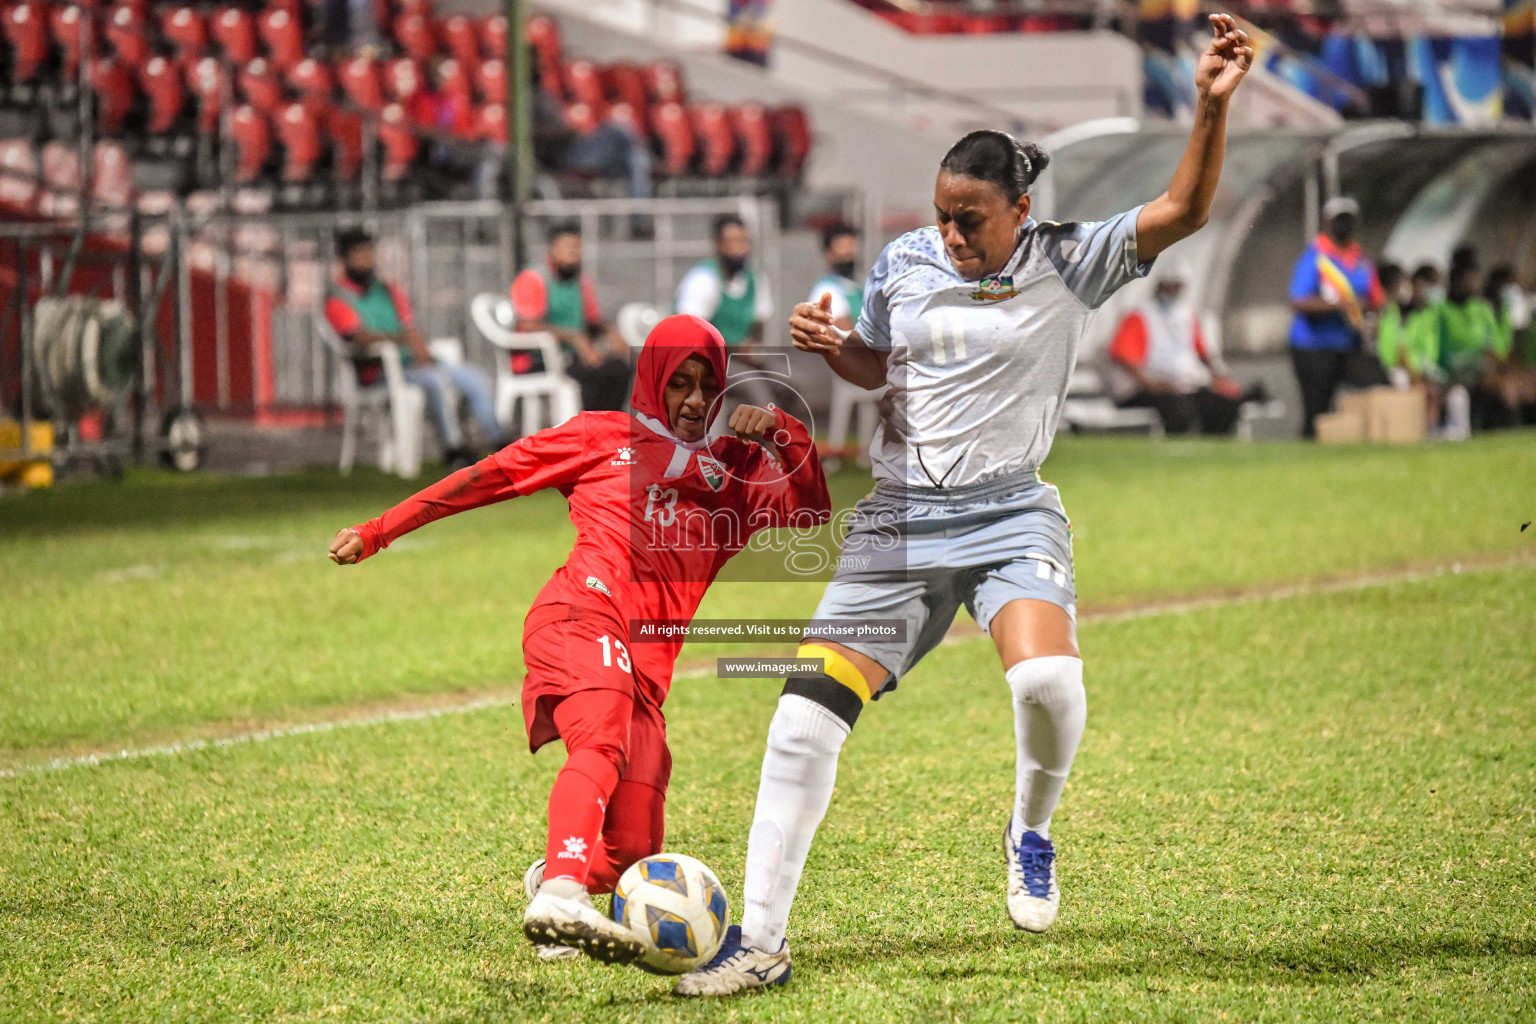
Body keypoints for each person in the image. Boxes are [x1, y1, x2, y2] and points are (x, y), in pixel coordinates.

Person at [674, 12, 1253, 997]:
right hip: (898, 520)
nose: (950, 233)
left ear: (1021, 209)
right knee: (802, 718)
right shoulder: (905, 264)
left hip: (1008, 513)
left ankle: (1031, 828)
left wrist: (1205, 105)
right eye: (943, 213)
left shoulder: (1072, 257)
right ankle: (758, 942)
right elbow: (877, 364)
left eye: (970, 218)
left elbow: (1185, 210)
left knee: (1046, 688)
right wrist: (833, 347)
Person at [326, 314, 829, 964]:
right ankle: (563, 891)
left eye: (708, 384)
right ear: (652, 381)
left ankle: (559, 878)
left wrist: (785, 434)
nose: (696, 400)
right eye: (680, 382)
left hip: (648, 673)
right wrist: (380, 529)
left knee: (633, 853)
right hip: (580, 616)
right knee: (602, 738)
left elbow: (812, 512)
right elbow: (489, 477)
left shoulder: (732, 474)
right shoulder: (603, 437)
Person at [324, 228, 506, 466]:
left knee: (474, 377)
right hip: (378, 372)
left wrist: (422, 352)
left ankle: (499, 441)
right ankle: (453, 448)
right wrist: (399, 341)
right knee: (435, 382)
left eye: (370, 253)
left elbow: (410, 328)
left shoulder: (388, 290)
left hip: (413, 365)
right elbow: (358, 338)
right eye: (360, 254)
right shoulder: (338, 297)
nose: (367, 259)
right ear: (345, 258)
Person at [1106, 260, 1262, 435]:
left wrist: (1219, 377)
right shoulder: (1139, 315)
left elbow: (1202, 352)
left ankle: (1212, 449)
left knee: (1222, 405)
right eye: (1170, 286)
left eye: (1177, 287)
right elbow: (1123, 355)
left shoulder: (1186, 315)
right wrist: (1150, 384)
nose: (1173, 291)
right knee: (1179, 410)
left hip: (1181, 386)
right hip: (1147, 389)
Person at [1286, 194, 1384, 438]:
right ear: (1327, 222)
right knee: (1317, 408)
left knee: (1375, 384)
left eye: (1349, 220)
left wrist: (1372, 320)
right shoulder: (1315, 257)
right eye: (1339, 220)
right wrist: (1339, 305)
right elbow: (1299, 301)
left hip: (1349, 343)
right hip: (1312, 346)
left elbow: (1376, 300)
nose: (1345, 225)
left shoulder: (1361, 259)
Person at [510, 221, 633, 412]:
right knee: (596, 373)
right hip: (539, 360)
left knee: (621, 366)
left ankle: (610, 426)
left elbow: (592, 320)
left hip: (574, 356)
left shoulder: (580, 280)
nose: (575, 254)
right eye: (569, 247)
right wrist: (573, 338)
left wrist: (610, 332)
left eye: (578, 248)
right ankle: (587, 429)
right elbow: (528, 325)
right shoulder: (534, 278)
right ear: (553, 248)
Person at [674, 214, 774, 350]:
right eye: (734, 241)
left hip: (737, 358)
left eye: (744, 241)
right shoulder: (704, 278)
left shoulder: (755, 279)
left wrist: (751, 345)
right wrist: (736, 348)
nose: (741, 248)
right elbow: (691, 333)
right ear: (719, 245)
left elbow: (759, 323)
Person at [807, 223, 862, 333]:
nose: (849, 253)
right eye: (842, 247)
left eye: (851, 246)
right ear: (829, 253)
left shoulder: (856, 288)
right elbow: (843, 334)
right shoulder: (826, 289)